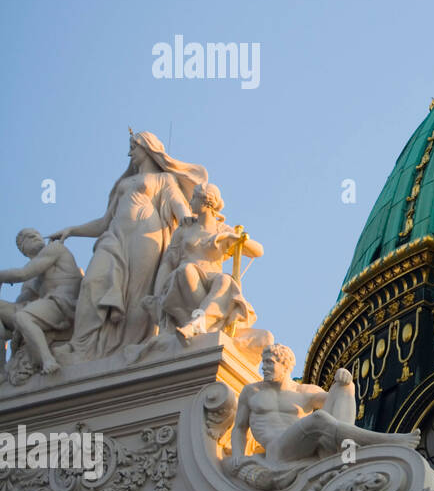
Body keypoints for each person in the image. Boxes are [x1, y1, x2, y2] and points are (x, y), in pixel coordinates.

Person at [50, 131, 206, 361]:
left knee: (138, 292)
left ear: (148, 147)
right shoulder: (123, 183)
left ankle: (132, 346)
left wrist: (187, 219)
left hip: (146, 237)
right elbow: (104, 222)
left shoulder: (165, 179)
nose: (130, 152)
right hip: (114, 237)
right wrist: (72, 230)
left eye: (134, 146)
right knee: (92, 282)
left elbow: (179, 207)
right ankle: (80, 345)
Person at [226, 344, 417, 489]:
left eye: (269, 362)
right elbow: (240, 428)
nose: (263, 367)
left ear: (285, 366)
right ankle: (387, 441)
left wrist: (344, 378)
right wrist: (237, 456)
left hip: (303, 445)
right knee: (319, 420)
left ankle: (344, 452)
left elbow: (337, 398)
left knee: (345, 387)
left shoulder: (305, 392)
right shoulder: (252, 392)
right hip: (278, 451)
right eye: (263, 362)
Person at [145, 182, 262, 339]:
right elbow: (168, 262)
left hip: (212, 283)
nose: (190, 202)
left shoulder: (222, 230)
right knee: (186, 269)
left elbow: (258, 251)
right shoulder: (185, 229)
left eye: (194, 198)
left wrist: (234, 237)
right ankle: (202, 320)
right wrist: (157, 294)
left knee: (225, 279)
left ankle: (198, 323)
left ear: (206, 202)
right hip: (185, 282)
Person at [0, 229, 83, 376]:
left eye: (37, 234)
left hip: (64, 302)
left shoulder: (54, 249)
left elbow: (22, 274)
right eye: (27, 237)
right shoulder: (29, 282)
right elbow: (20, 304)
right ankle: (1, 371)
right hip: (46, 307)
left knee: (23, 317)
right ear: (23, 249)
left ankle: (47, 360)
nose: (35, 236)